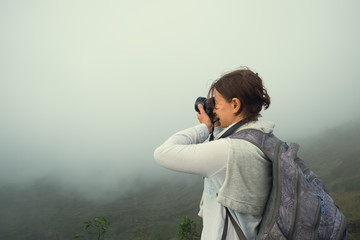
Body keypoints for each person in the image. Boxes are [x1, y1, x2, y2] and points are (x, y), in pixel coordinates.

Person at [154, 67, 272, 239]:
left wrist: (204, 128)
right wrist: (217, 128)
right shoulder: (262, 139)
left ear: (235, 104)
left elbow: (162, 153)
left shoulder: (228, 151)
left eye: (216, 103)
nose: (214, 110)